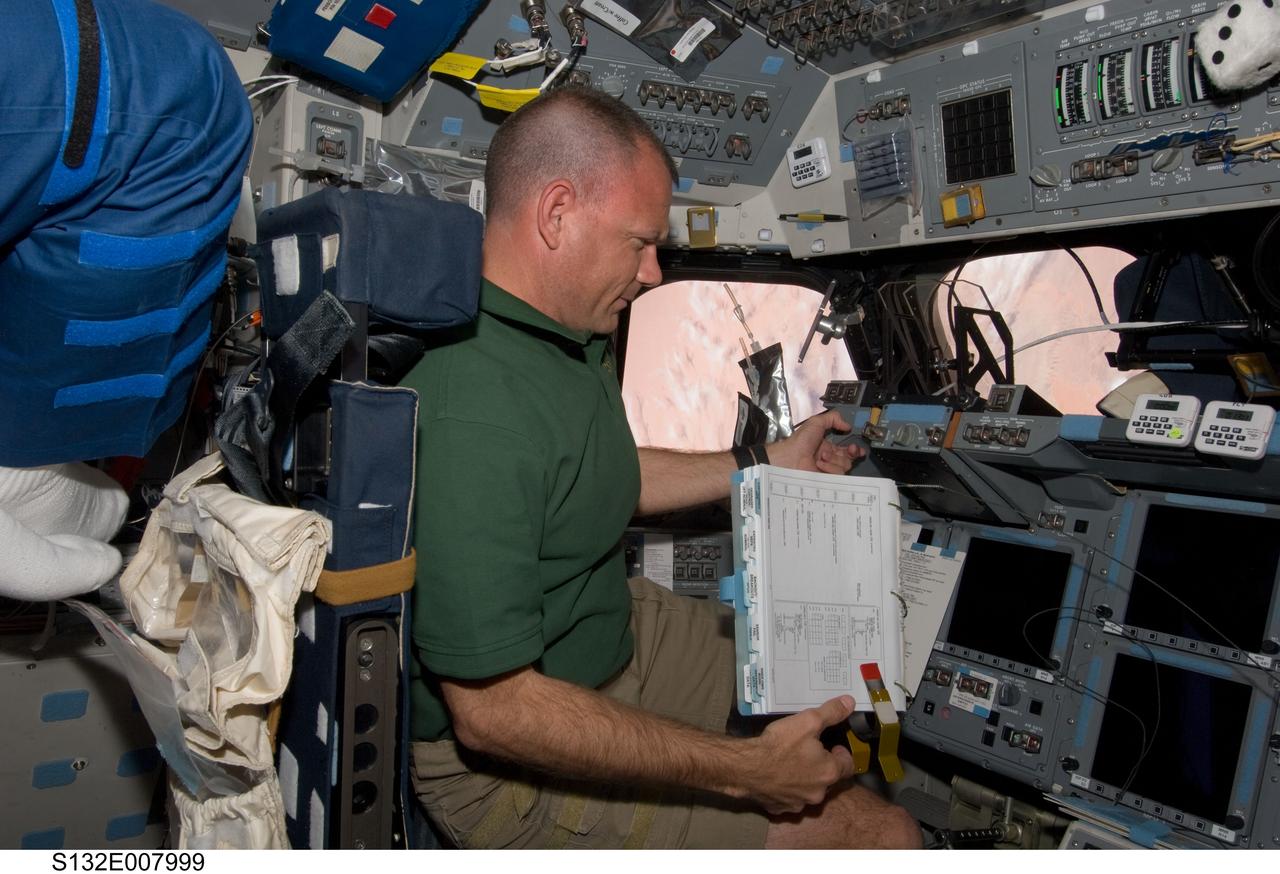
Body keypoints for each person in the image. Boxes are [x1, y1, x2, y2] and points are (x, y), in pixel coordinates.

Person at [401, 86, 921, 850]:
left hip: (610, 631)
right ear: (555, 214)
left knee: (829, 674)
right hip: (512, 763)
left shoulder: (559, 333)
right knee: (883, 837)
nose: (651, 273)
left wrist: (764, 460)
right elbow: (494, 714)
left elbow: (596, 474)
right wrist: (744, 772)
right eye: (639, 242)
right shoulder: (473, 406)